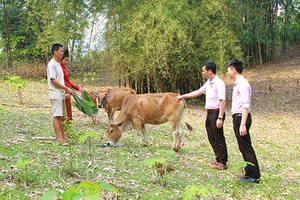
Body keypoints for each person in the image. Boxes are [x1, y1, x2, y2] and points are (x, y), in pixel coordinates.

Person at [175, 61, 228, 170]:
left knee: (218, 137)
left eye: (203, 70)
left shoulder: (219, 83)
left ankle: (223, 162)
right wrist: (183, 96)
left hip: (216, 112)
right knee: (211, 136)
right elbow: (198, 92)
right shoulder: (209, 82)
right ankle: (218, 158)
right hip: (209, 112)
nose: (202, 73)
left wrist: (220, 117)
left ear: (209, 71)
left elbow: (222, 101)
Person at [226, 59, 261, 183]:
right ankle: (248, 172)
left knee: (246, 147)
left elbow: (245, 105)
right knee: (243, 147)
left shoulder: (243, 84)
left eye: (228, 70)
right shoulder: (238, 83)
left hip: (242, 117)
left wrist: (242, 124)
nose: (227, 73)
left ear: (233, 70)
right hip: (239, 117)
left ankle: (254, 176)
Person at [47, 43, 73, 145]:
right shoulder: (52, 64)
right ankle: (59, 139)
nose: (62, 53)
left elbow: (60, 80)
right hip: (55, 93)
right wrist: (65, 88)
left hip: (60, 94)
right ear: (55, 52)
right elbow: (53, 80)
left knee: (62, 117)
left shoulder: (58, 64)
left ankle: (65, 137)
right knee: (57, 116)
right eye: (61, 51)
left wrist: (64, 93)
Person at [61, 50, 84, 122]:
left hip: (68, 90)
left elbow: (68, 82)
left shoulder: (64, 68)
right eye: (65, 60)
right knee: (65, 111)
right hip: (64, 91)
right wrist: (66, 89)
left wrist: (77, 88)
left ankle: (68, 127)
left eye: (67, 60)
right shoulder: (59, 68)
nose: (66, 62)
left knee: (68, 110)